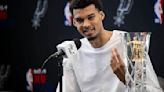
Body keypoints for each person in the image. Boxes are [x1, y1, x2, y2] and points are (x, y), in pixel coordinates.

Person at [60, 0, 163, 92]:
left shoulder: (133, 44)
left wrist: (127, 80)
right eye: (80, 20)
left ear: (101, 15)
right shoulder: (72, 51)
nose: (86, 24)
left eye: (91, 17)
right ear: (74, 22)